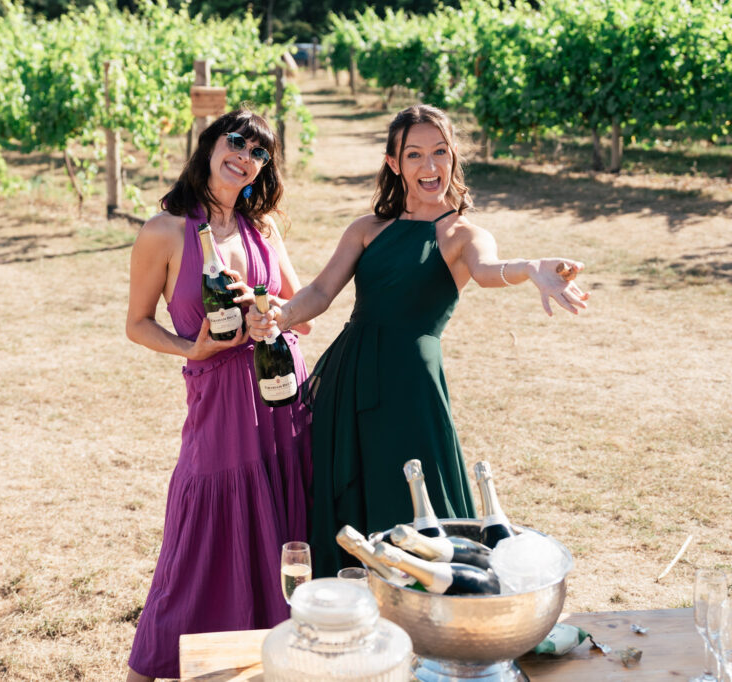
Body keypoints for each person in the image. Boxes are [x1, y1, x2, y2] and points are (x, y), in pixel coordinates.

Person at [247, 104, 589, 578]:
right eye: (415, 155)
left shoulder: (462, 233)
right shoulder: (366, 229)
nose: (430, 167)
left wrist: (530, 268)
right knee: (350, 497)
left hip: (412, 385)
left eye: (440, 152)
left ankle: (430, 609)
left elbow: (489, 271)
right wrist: (280, 317)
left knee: (417, 498)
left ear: (453, 157)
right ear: (394, 163)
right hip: (350, 378)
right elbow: (322, 292)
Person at [124, 109, 313, 682]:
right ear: (208, 146)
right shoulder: (165, 230)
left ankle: (272, 663)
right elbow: (136, 323)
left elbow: (299, 315)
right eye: (236, 142)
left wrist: (267, 312)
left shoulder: (263, 230)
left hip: (281, 398)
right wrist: (192, 350)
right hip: (216, 402)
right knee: (198, 546)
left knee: (282, 537)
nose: (245, 156)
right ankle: (148, 668)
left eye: (259, 152)